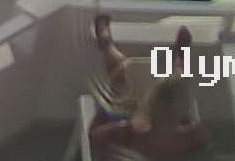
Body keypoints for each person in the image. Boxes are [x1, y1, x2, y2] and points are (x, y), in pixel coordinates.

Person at [89, 15, 209, 159]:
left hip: (130, 130)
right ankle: (179, 61)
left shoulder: (130, 133)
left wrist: (108, 110)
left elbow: (93, 137)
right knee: (171, 83)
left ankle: (106, 45)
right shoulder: (192, 136)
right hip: (164, 133)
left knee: (123, 76)